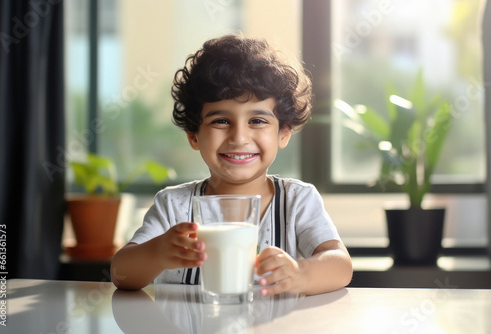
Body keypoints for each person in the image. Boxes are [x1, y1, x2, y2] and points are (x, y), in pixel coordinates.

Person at [111, 34, 353, 296]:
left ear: (283, 133)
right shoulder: (174, 206)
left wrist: (301, 274)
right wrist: (156, 253)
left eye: (257, 121)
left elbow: (340, 265)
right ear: (194, 135)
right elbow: (121, 274)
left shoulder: (297, 201)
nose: (239, 138)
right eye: (221, 121)